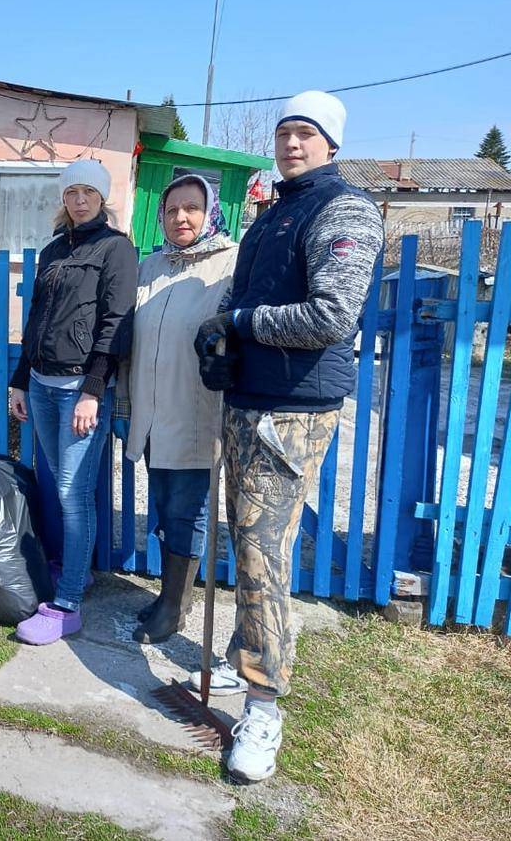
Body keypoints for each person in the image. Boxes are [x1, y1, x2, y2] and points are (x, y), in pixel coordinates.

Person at [194, 91, 383, 783]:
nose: (292, 144)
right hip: (247, 398)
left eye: (305, 134)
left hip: (293, 408)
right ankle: (248, 642)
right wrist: (217, 328)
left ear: (331, 144)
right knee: (247, 540)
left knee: (262, 552)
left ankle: (264, 706)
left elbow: (330, 315)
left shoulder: (346, 211)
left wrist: (240, 324)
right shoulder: (275, 214)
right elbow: (238, 298)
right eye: (284, 133)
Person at [9, 159, 136, 645]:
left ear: (102, 198)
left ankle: (67, 606)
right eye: (71, 193)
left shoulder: (116, 249)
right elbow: (37, 317)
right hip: (41, 385)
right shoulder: (53, 250)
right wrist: (21, 380)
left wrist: (92, 391)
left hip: (79, 389)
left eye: (87, 192)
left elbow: (115, 323)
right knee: (53, 484)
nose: (79, 200)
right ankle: (72, 571)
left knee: (71, 491)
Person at [121, 174, 238, 645]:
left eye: (191, 208)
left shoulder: (231, 264)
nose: (180, 217)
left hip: (195, 412)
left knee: (189, 510)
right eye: (171, 210)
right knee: (166, 507)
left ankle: (173, 607)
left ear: (209, 213)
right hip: (151, 413)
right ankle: (175, 596)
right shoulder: (150, 266)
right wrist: (125, 404)